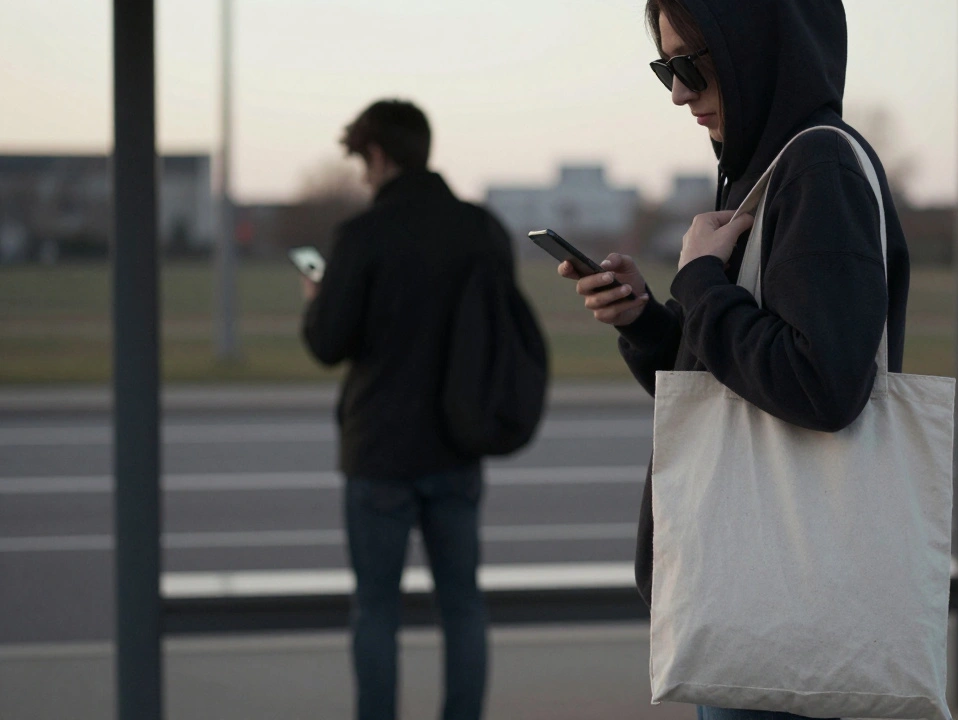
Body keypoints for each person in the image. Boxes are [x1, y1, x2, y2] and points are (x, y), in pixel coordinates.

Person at [557, 2, 911, 718]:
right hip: (760, 594)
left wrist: (701, 285)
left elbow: (822, 387)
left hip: (784, 602)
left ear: (757, 46)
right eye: (667, 69)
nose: (680, 92)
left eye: (692, 63)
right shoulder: (769, 169)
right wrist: (653, 321)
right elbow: (737, 377)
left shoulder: (817, 170)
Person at [301, 99, 513, 720]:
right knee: (463, 604)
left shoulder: (361, 235)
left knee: (375, 609)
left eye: (363, 163)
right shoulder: (479, 228)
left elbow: (326, 343)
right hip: (458, 440)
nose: (364, 178)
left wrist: (318, 298)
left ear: (378, 155)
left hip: (379, 451)